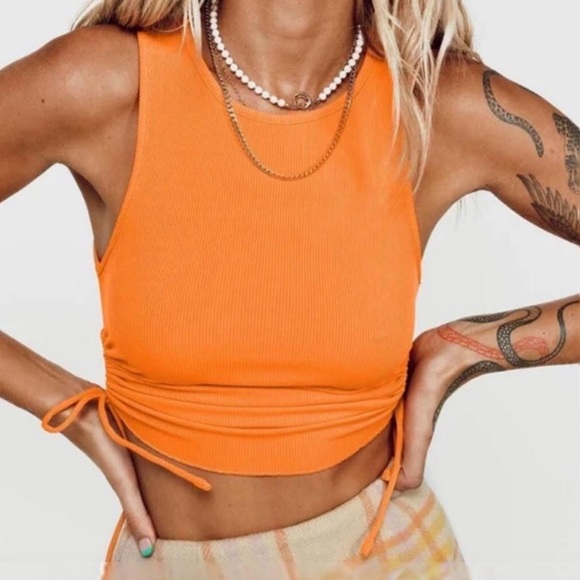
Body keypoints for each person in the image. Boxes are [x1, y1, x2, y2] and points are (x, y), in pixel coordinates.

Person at [0, 0, 578, 578]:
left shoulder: (437, 106)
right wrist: (65, 404)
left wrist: (469, 347)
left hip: (388, 559)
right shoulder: (105, 85)